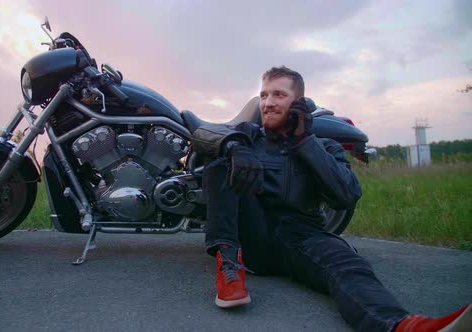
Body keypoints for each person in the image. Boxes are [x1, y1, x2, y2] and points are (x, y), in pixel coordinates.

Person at [191, 66, 471, 331]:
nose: (268, 102)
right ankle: (228, 266)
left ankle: (401, 325)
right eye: (264, 95)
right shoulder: (248, 135)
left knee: (349, 265)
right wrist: (235, 147)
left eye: (279, 94)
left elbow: (346, 196)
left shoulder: (323, 146)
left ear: (299, 103)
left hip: (302, 236)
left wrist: (304, 142)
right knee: (219, 162)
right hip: (253, 238)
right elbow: (202, 133)